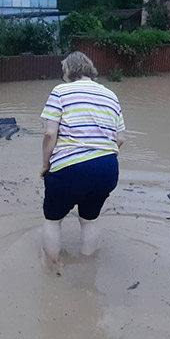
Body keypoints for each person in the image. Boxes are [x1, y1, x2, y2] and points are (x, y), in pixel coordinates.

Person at [39, 51, 125, 268]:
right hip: (107, 169)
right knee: (90, 219)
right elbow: (120, 139)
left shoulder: (60, 92)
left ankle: (53, 268)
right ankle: (87, 268)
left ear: (68, 70)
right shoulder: (110, 95)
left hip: (69, 169)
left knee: (53, 219)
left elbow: (50, 135)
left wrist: (46, 165)